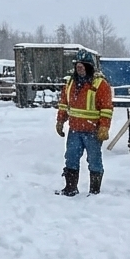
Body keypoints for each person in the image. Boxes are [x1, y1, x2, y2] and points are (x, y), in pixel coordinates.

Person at [55, 50, 113, 196]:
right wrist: (60, 121)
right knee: (71, 158)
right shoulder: (70, 83)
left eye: (83, 65)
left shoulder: (100, 84)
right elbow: (63, 103)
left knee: (94, 160)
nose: (79, 68)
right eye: (77, 65)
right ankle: (70, 188)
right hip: (74, 130)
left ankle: (94, 191)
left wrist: (104, 127)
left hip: (92, 132)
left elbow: (106, 108)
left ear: (89, 66)